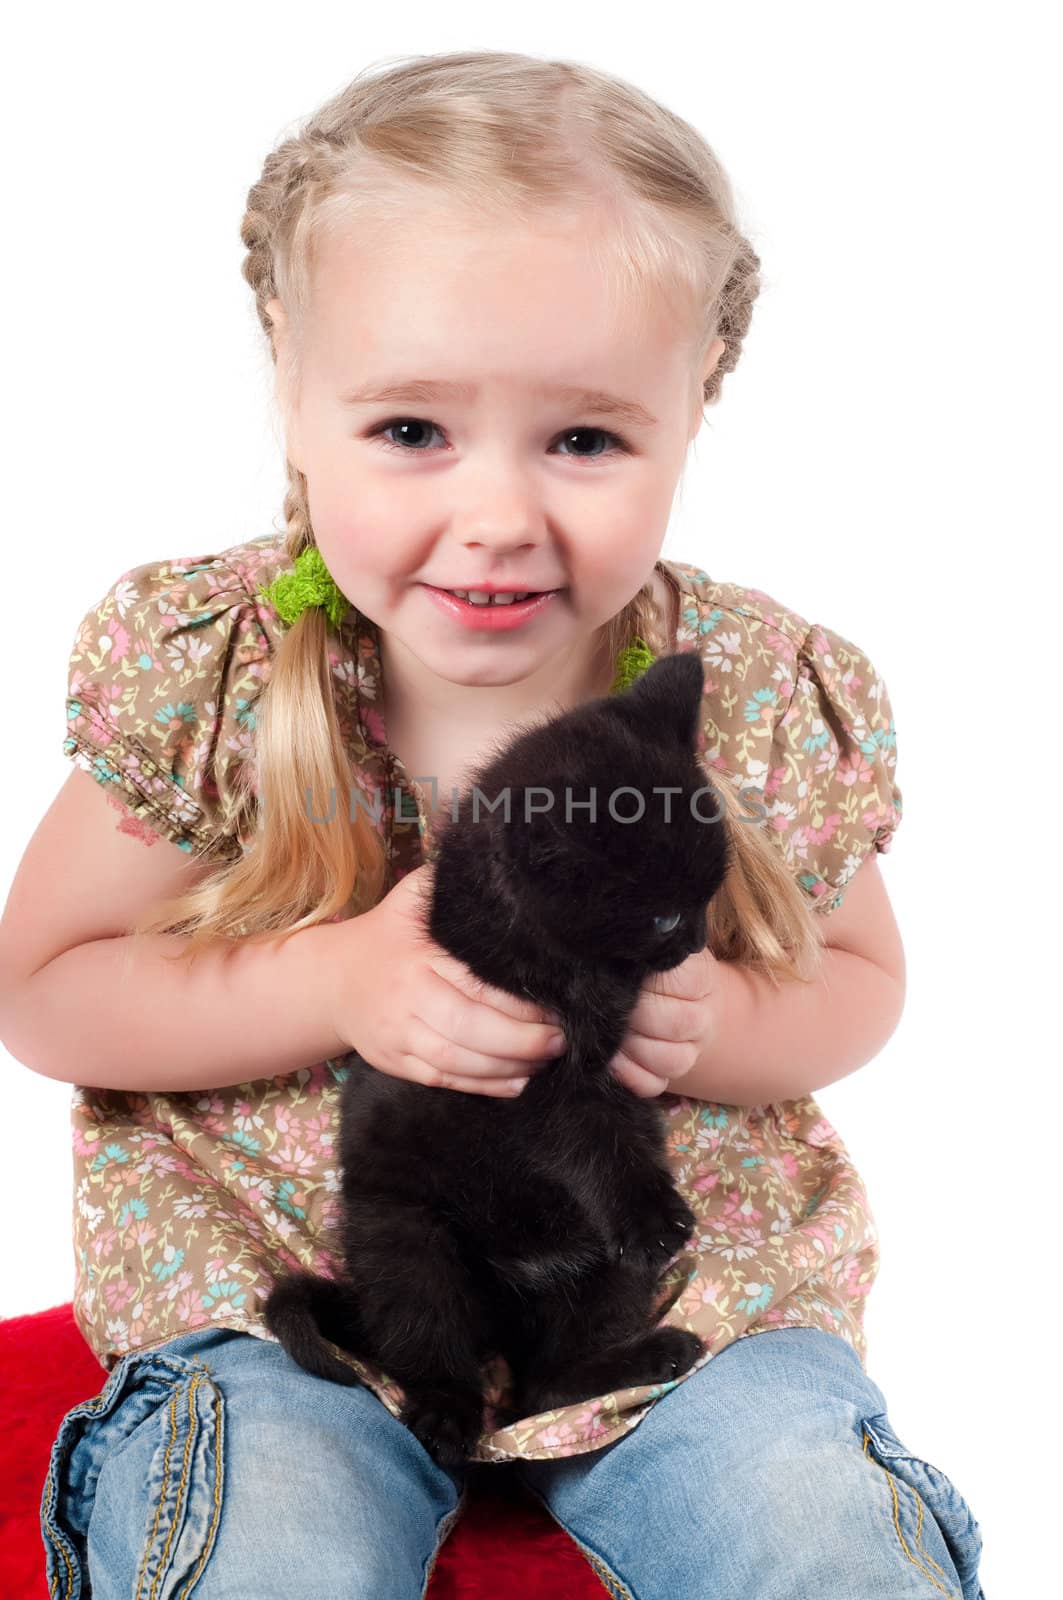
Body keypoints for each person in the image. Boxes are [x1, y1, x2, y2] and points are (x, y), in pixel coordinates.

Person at [0, 47, 986, 1600]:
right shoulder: (230, 674)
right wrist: (331, 985)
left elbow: (861, 980)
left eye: (585, 440)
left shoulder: (756, 697)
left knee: (820, 1533)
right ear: (291, 382)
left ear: (692, 408)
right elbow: (47, 986)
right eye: (411, 431)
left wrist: (715, 1019)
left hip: (673, 1300)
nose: (500, 515)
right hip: (297, 1298)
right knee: (270, 1549)